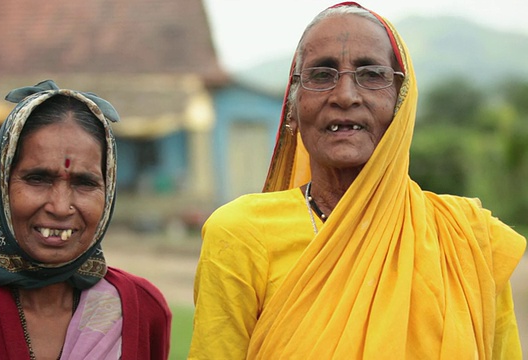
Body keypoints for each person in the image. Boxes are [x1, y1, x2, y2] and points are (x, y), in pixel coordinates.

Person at [189, 2, 526, 359]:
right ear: (292, 111)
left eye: (371, 74)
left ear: (402, 103)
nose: (346, 96)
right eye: (321, 75)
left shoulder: (467, 240)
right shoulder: (241, 235)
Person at [0, 80, 171, 359]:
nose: (60, 207)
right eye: (38, 179)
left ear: (108, 192)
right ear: (2, 184)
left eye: (84, 183)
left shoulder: (142, 311)